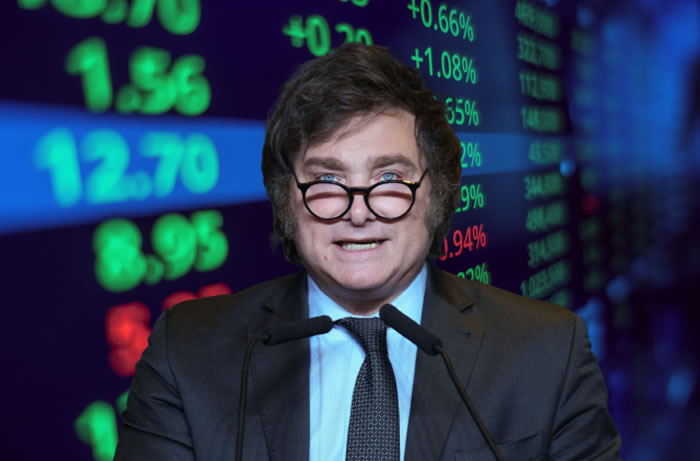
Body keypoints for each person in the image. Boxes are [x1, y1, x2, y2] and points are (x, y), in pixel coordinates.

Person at [114, 44, 621, 460]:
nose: (359, 212)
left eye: (390, 178)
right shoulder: (186, 351)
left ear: (438, 193)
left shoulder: (549, 352)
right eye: (327, 180)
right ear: (286, 199)